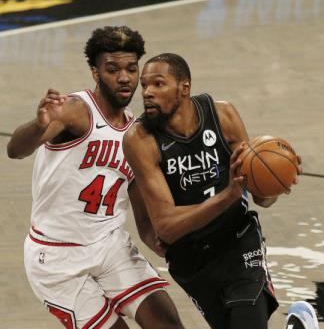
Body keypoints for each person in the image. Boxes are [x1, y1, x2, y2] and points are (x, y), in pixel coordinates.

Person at [7, 27, 183, 329]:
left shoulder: (137, 133)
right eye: (112, 69)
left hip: (110, 246)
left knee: (168, 324)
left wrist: (172, 247)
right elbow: (16, 150)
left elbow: (143, 219)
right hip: (58, 258)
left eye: (131, 68)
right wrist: (39, 125)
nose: (124, 77)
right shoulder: (76, 111)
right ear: (95, 72)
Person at [123, 53, 303, 329]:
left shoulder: (223, 116)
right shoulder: (140, 140)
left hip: (238, 239)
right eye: (144, 85)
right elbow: (167, 228)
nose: (147, 93)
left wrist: (277, 182)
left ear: (184, 87)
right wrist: (229, 195)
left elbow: (261, 198)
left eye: (158, 84)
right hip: (190, 257)